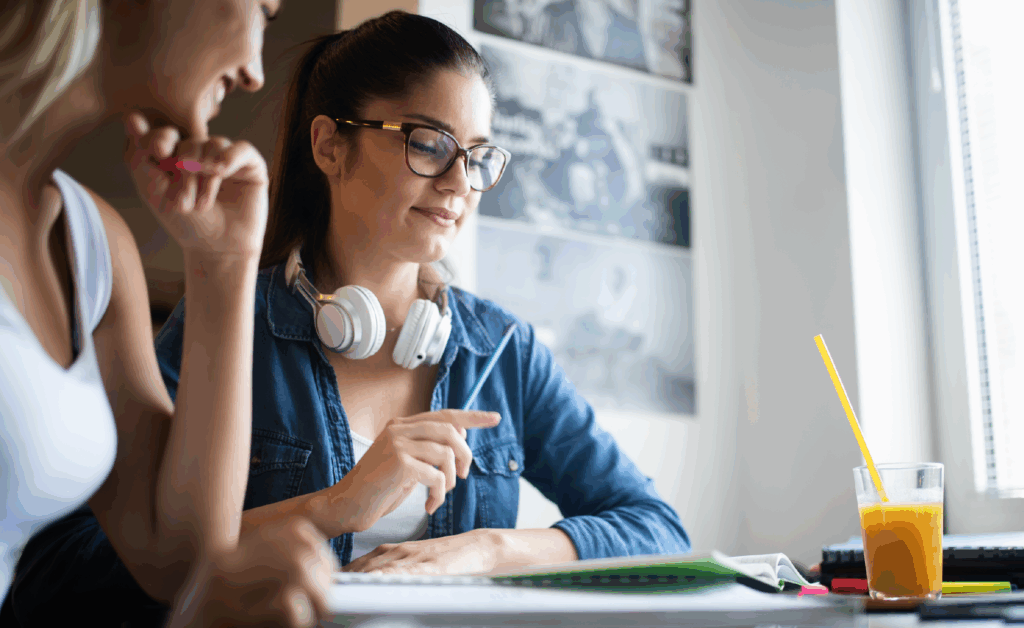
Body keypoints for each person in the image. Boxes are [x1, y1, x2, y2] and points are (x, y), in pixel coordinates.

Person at [10, 10, 689, 610]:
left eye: (478, 157)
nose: (459, 182)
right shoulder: (230, 321)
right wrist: (333, 508)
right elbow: (83, 568)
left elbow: (657, 527)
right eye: (428, 143)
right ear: (329, 144)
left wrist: (486, 552)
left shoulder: (502, 349)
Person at [0, 1, 337, 626]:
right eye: (262, 8)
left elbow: (180, 557)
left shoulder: (89, 243)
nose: (254, 74)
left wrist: (224, 264)